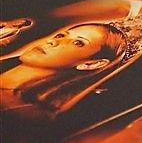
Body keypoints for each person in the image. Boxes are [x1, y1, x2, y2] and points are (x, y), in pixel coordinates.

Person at [0, 23, 129, 113]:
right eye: (61, 36)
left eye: (78, 43)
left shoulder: (21, 110)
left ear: (91, 64)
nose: (53, 42)